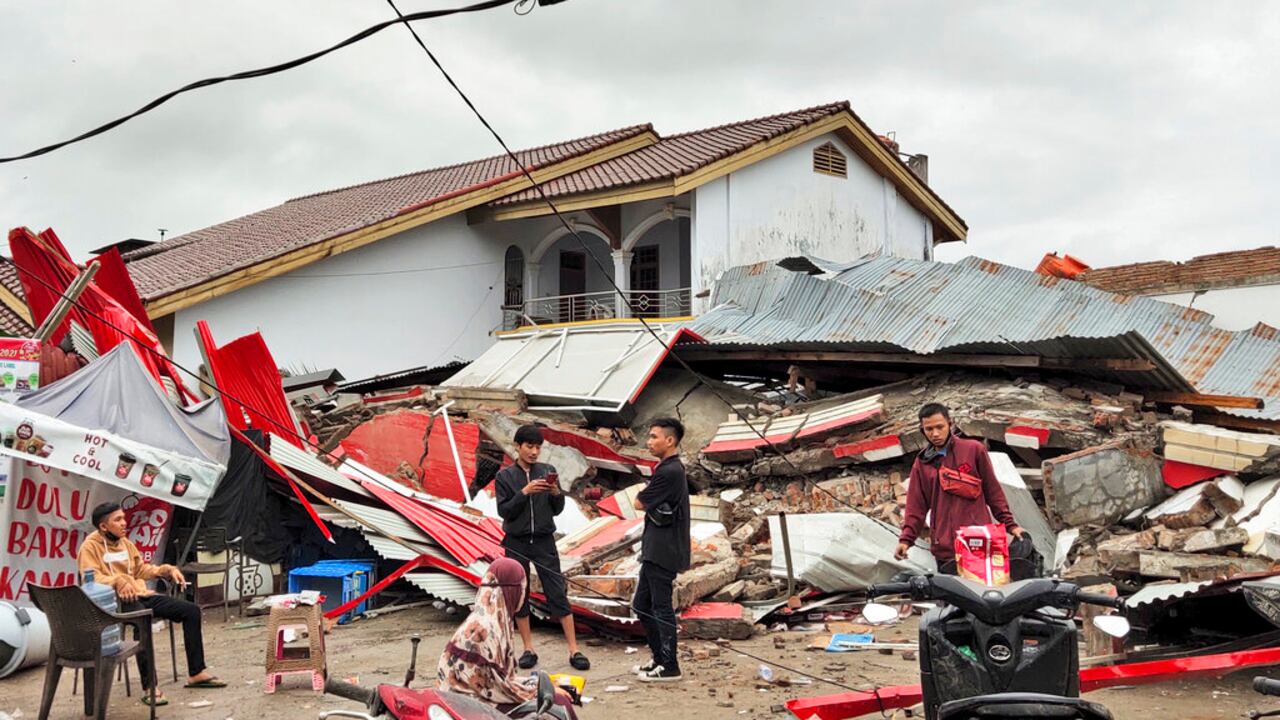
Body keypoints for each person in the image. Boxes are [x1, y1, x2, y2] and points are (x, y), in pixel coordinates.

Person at [77, 502, 225, 706]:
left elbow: (140, 570)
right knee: (143, 621)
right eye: (118, 520)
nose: (124, 523)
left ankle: (197, 672)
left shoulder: (125, 543)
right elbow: (90, 578)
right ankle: (150, 687)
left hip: (140, 594)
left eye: (123, 518)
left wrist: (165, 569)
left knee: (191, 611)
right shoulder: (89, 547)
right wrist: (117, 582)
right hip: (114, 602)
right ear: (103, 526)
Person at [494, 425, 589, 671]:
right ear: (517, 446)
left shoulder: (548, 471)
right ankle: (528, 649)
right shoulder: (505, 477)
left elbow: (556, 509)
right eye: (529, 446)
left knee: (557, 589)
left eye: (538, 447)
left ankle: (574, 650)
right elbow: (504, 511)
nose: (534, 452)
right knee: (520, 594)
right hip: (517, 541)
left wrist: (556, 493)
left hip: (545, 539)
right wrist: (524, 492)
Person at [438, 558, 577, 718]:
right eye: (522, 588)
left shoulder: (492, 619)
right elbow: (497, 689)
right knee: (558, 702)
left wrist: (537, 684)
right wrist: (542, 691)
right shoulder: (484, 630)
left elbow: (500, 680)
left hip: (474, 697)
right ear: (513, 591)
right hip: (470, 706)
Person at [895, 403, 1025, 573]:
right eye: (929, 429)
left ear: (950, 424)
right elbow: (915, 507)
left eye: (940, 427)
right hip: (945, 549)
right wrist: (906, 540)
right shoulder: (922, 464)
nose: (935, 433)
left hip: (978, 544)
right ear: (922, 431)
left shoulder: (973, 450)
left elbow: (993, 492)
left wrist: (1011, 525)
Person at [631, 417, 691, 683]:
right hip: (656, 547)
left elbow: (639, 502)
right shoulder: (667, 469)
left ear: (670, 440)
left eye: (654, 437)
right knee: (641, 604)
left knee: (661, 606)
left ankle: (670, 665)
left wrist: (646, 497)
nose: (649, 442)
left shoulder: (669, 471)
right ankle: (658, 658)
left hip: (664, 549)